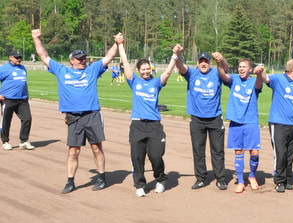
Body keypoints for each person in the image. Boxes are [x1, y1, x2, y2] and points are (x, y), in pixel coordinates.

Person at [32, 29, 120, 194]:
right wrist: (36, 39)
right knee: (73, 151)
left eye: (84, 58)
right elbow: (44, 56)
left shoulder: (92, 70)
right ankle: (70, 181)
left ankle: (102, 177)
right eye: (79, 59)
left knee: (96, 147)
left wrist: (117, 43)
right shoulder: (61, 71)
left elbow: (108, 57)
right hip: (73, 117)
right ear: (71, 60)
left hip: (92, 114)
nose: (83, 61)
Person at [118, 39, 176, 197]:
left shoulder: (156, 83)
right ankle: (140, 184)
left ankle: (160, 179)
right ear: (138, 70)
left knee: (156, 156)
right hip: (137, 125)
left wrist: (174, 56)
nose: (145, 71)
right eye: (143, 69)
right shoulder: (134, 81)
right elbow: (125, 62)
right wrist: (120, 44)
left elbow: (168, 72)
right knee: (137, 157)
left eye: (147, 69)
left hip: (154, 126)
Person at [174, 46, 227, 191]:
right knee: (198, 150)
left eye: (206, 61)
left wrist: (221, 60)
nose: (203, 64)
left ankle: (220, 179)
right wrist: (177, 54)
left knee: (218, 151)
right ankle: (200, 178)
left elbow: (225, 68)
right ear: (197, 63)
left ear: (210, 62)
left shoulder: (216, 73)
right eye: (201, 61)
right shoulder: (192, 73)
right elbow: (180, 66)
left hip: (215, 118)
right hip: (197, 119)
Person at [214, 53, 265, 193]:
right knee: (238, 151)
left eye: (244, 67)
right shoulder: (234, 79)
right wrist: (219, 62)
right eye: (240, 67)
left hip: (251, 121)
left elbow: (259, 83)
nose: (241, 69)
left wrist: (260, 73)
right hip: (236, 121)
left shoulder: (254, 81)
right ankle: (241, 181)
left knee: (254, 152)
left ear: (250, 69)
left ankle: (252, 176)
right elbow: (223, 75)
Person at [262, 59, 293, 192]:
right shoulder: (279, 79)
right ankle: (279, 181)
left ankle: (287, 179)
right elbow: (266, 79)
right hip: (278, 123)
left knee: (290, 154)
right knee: (280, 153)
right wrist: (260, 72)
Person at [0, 50, 34, 151]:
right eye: (16, 57)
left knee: (27, 119)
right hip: (8, 99)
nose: (19, 59)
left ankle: (23, 141)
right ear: (10, 57)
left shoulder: (22, 68)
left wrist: (27, 93)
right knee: (6, 121)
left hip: (22, 99)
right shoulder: (4, 69)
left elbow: (24, 82)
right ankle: (5, 141)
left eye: (20, 57)